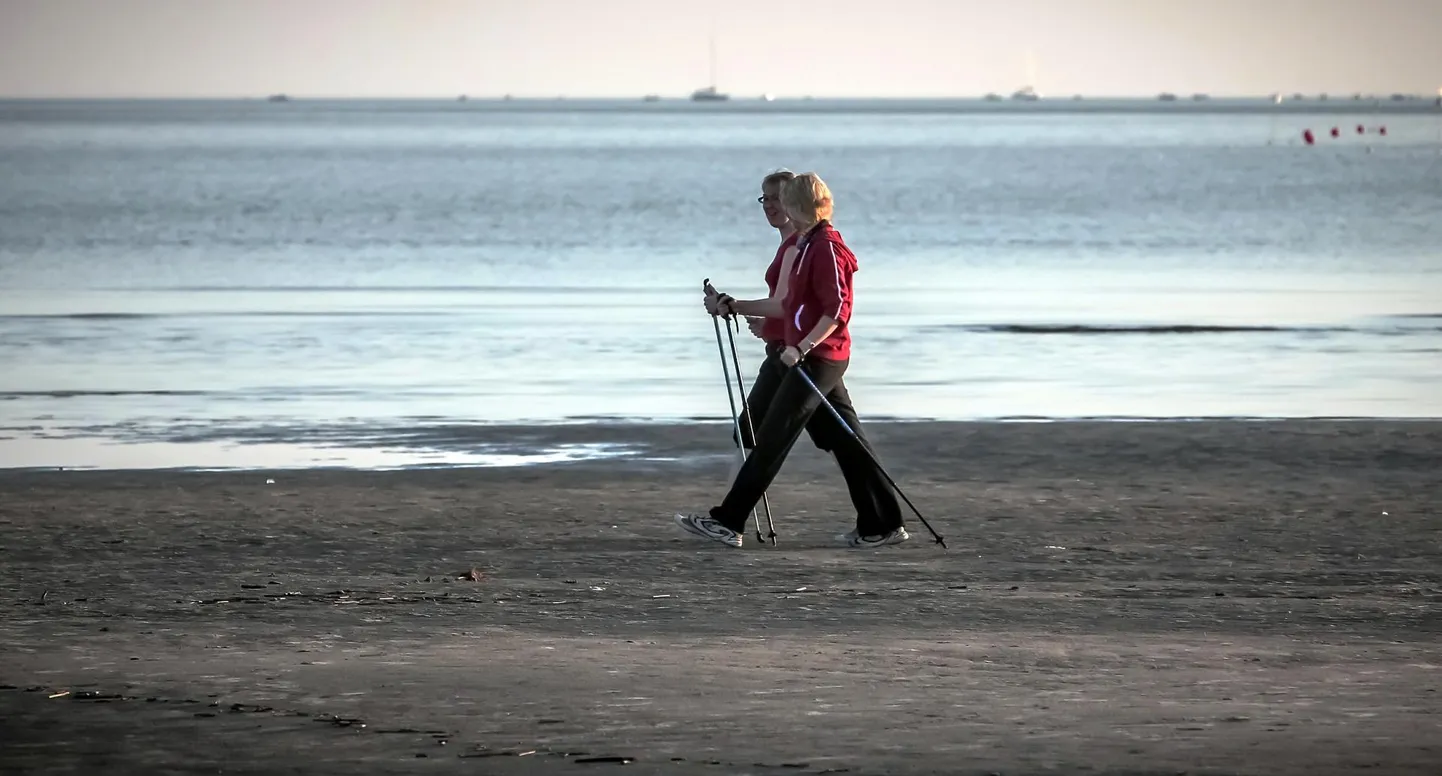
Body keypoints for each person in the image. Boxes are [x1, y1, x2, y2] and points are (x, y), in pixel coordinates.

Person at [679, 172, 909, 549]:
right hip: (808, 355)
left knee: (770, 438)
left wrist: (800, 347)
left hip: (816, 358)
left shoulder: (825, 247)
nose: (775, 207)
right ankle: (881, 524)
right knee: (845, 440)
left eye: (781, 200)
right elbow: (790, 305)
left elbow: (837, 310)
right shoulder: (808, 244)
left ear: (797, 205)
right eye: (769, 199)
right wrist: (739, 308)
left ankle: (728, 522)